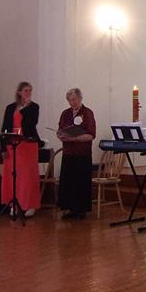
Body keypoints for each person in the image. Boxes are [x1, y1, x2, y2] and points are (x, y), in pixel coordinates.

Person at [0, 81, 42, 218]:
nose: (28, 93)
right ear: (19, 92)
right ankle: (14, 205)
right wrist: (2, 147)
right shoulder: (10, 108)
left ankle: (30, 205)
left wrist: (26, 107)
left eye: (30, 90)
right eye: (26, 90)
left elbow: (31, 124)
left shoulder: (34, 107)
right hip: (12, 146)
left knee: (27, 176)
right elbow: (5, 128)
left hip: (28, 145)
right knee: (13, 176)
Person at [56, 88, 96, 219]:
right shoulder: (65, 113)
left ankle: (80, 210)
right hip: (68, 153)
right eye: (69, 100)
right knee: (69, 181)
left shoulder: (87, 113)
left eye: (74, 99)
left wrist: (75, 138)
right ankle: (69, 208)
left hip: (82, 153)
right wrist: (60, 135)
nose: (72, 103)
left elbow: (91, 135)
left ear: (80, 98)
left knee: (80, 181)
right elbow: (60, 129)